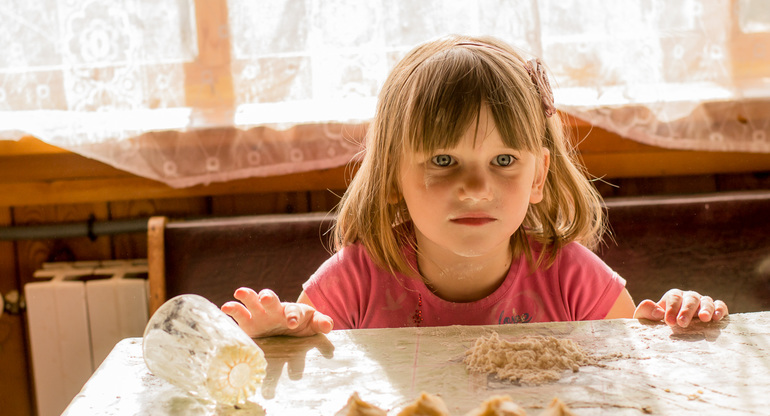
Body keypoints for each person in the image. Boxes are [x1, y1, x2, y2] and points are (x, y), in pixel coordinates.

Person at [222, 35, 728, 338]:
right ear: (392, 178)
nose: (474, 186)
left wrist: (677, 324)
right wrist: (273, 339)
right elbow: (297, 389)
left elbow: (637, 368)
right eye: (444, 160)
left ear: (538, 176)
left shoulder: (571, 276)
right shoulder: (353, 282)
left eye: (504, 160)